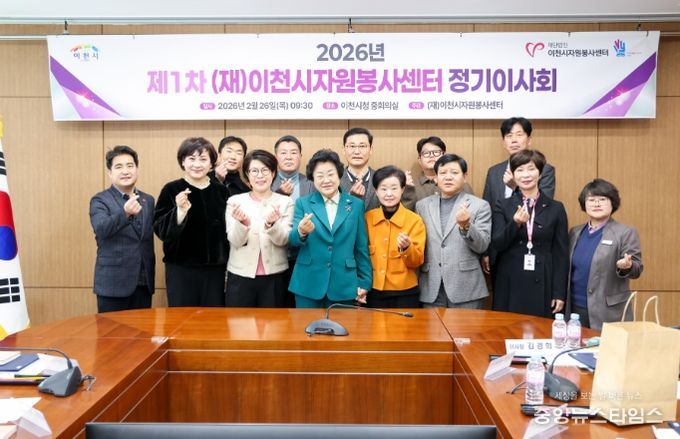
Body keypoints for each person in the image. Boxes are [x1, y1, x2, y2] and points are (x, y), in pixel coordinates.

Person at [288, 149, 372, 308]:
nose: (326, 180)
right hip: (308, 283)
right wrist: (301, 231)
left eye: (330, 174)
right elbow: (292, 240)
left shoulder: (355, 205)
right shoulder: (303, 203)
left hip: (344, 284)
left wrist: (364, 282)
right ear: (313, 179)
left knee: (342, 324)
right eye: (320, 176)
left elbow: (361, 247)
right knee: (305, 324)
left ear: (339, 175)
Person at [491, 149, 568, 318]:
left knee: (539, 328)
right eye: (520, 170)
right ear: (513, 175)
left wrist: (559, 292)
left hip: (543, 278)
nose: (526, 175)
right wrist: (516, 223)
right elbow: (497, 243)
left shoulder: (556, 208)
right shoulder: (503, 204)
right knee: (507, 328)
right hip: (510, 279)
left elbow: (561, 254)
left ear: (540, 173)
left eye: (531, 169)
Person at [153, 137, 229, 307]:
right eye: (191, 159)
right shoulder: (171, 189)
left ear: (211, 163)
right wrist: (179, 211)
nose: (197, 164)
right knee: (181, 318)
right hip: (181, 269)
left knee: (213, 318)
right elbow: (160, 230)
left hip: (214, 270)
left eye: (203, 159)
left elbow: (228, 232)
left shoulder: (221, 191)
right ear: (183, 161)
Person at [482, 117, 556, 275]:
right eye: (509, 136)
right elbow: (487, 212)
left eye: (519, 135)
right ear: (503, 142)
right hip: (499, 248)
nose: (514, 140)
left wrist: (515, 187)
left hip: (530, 245)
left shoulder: (544, 170)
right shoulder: (494, 171)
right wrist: (486, 251)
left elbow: (543, 206)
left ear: (529, 140)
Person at [416, 154, 491, 309]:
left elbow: (482, 246)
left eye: (454, 173)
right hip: (431, 287)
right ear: (436, 178)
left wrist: (466, 226)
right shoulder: (422, 206)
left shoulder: (480, 205)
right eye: (443, 173)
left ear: (465, 177)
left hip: (466, 288)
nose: (448, 177)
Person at [567, 179, 643, 330]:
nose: (596, 204)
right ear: (584, 204)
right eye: (591, 200)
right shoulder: (575, 232)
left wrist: (627, 266)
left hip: (608, 311)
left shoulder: (625, 232)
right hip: (575, 308)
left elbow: (636, 269)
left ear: (612, 203)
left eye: (602, 199)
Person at [89, 145, 155, 313]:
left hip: (143, 283)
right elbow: (101, 229)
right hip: (113, 284)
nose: (125, 171)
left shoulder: (148, 200)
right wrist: (125, 213)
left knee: (143, 330)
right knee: (112, 331)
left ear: (137, 169)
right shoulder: (100, 200)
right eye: (119, 167)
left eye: (130, 166)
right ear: (110, 173)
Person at [225, 150, 294, 307]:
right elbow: (235, 241)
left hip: (275, 276)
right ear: (247, 175)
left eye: (265, 170)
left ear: (273, 173)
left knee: (274, 321)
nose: (260, 175)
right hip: (240, 276)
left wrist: (272, 225)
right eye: (254, 171)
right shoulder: (235, 201)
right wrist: (242, 223)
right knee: (239, 322)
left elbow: (284, 240)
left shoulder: (285, 202)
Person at [365, 166, 426, 308]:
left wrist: (407, 247)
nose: (389, 194)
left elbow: (417, 261)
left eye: (394, 188)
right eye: (383, 189)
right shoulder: (367, 218)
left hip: (405, 292)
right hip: (373, 290)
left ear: (402, 189)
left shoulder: (414, 220)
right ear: (376, 191)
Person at [339, 127, 414, 211]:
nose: (357, 151)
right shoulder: (335, 181)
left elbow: (402, 212)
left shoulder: (382, 179)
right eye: (352, 146)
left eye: (362, 146)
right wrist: (350, 199)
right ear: (344, 150)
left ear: (371, 149)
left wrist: (406, 189)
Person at [404, 136, 472, 210]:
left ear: (443, 157)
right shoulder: (411, 187)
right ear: (420, 160)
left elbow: (474, 208)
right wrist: (408, 191)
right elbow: (405, 213)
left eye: (436, 152)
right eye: (426, 153)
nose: (431, 156)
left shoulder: (460, 183)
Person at [271, 135, 315, 200]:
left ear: (300, 156)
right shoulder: (267, 182)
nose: (288, 157)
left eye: (293, 153)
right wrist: (280, 193)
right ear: (275, 157)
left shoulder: (312, 184)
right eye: (283, 153)